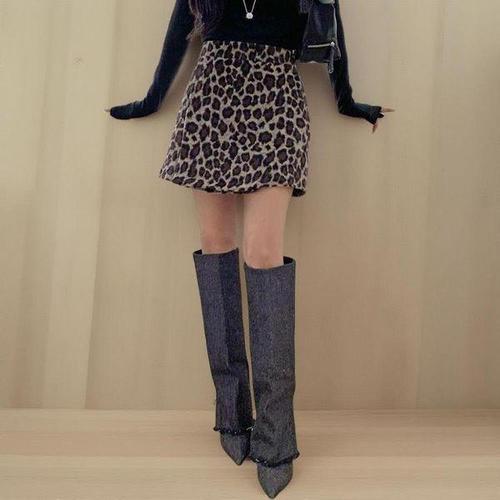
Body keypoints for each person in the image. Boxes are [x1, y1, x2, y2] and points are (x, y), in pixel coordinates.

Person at [106, 0, 394, 497]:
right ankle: (232, 411)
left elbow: (332, 38)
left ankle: (276, 435)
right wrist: (151, 102)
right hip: (210, 100)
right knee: (215, 245)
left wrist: (347, 101)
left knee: (263, 254)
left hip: (277, 102)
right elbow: (178, 38)